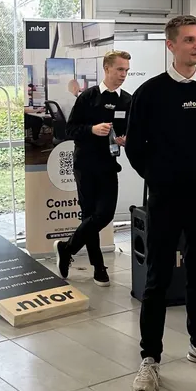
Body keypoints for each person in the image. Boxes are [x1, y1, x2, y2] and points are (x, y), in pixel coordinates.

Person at [126, 15, 196, 391]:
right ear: (171, 46)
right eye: (189, 39)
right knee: (157, 278)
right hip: (166, 198)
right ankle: (150, 359)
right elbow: (135, 148)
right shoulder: (150, 93)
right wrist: (159, 176)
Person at [55, 50, 132, 287]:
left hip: (109, 165)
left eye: (127, 71)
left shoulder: (127, 100)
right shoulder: (87, 97)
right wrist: (92, 129)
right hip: (86, 165)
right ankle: (98, 266)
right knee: (89, 216)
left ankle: (67, 248)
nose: (123, 75)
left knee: (104, 214)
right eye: (120, 69)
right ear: (107, 69)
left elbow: (129, 130)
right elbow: (69, 130)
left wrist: (124, 138)